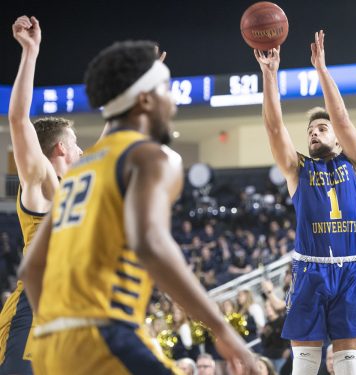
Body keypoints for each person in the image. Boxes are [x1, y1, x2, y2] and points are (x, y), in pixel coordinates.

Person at [18, 40, 258, 375]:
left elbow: (32, 268)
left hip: (51, 348)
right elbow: (151, 244)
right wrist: (220, 326)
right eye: (166, 90)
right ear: (145, 98)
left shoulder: (78, 174)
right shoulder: (151, 157)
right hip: (105, 333)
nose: (172, 104)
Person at [255, 30, 356, 375]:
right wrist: (270, 75)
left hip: (351, 270)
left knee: (350, 362)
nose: (314, 133)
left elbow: (343, 119)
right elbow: (275, 129)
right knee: (305, 364)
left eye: (321, 128)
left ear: (335, 135)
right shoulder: (297, 169)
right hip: (310, 269)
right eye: (310, 131)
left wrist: (321, 70)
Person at [0, 16, 83, 375]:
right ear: (62, 148)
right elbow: (19, 120)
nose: (82, 151)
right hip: (33, 316)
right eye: (77, 144)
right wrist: (30, 54)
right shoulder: (42, 182)